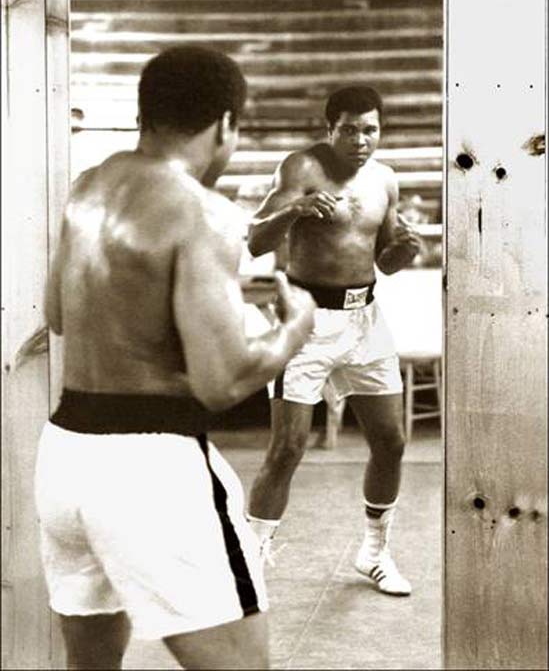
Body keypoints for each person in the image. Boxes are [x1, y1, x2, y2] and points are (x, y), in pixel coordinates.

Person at [34, 45, 316, 671]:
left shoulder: (90, 187)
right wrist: (295, 328)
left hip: (65, 455)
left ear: (147, 113)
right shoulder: (203, 211)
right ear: (224, 124)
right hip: (151, 465)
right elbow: (223, 382)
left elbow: (57, 313)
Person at [246, 85, 422, 596]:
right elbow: (255, 240)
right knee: (288, 449)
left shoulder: (385, 179)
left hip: (365, 319)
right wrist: (294, 211)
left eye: (370, 130)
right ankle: (251, 564)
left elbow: (384, 259)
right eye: (349, 129)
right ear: (330, 128)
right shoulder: (299, 169)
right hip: (306, 320)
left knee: (391, 441)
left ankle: (374, 551)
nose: (360, 140)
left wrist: (405, 251)